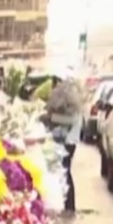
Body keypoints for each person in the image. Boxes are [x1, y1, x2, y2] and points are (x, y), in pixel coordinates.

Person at [43, 73, 83, 214]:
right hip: (68, 141)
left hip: (68, 142)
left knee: (65, 172)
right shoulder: (69, 97)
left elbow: (69, 120)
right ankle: (67, 204)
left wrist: (50, 117)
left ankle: (69, 206)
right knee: (64, 172)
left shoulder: (69, 100)